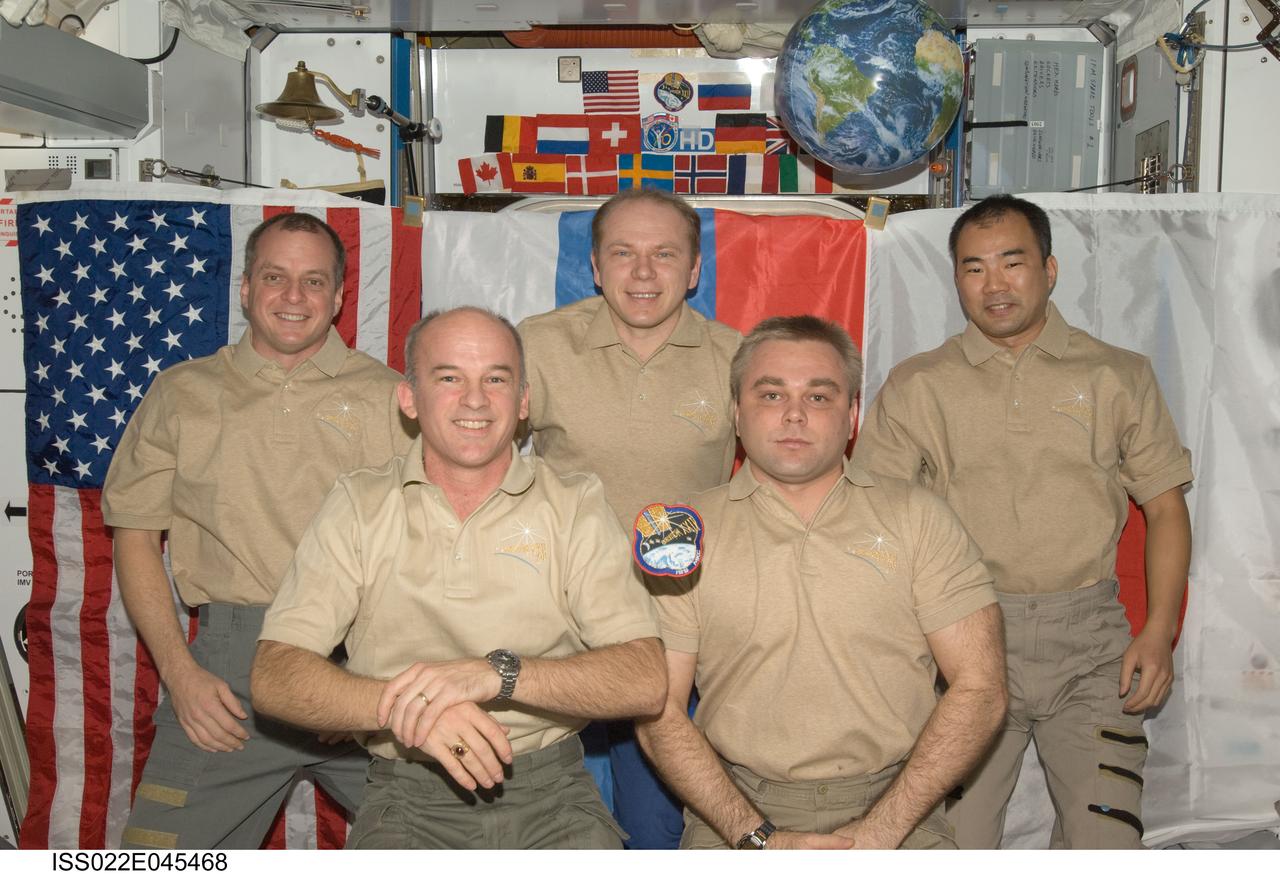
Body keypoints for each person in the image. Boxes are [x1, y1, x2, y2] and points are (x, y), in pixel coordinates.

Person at [250, 307, 668, 849]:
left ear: (523, 401)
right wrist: (413, 711)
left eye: (496, 379)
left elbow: (644, 679)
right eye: (449, 378)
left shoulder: (575, 504)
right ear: (409, 398)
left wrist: (498, 674)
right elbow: (275, 676)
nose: (475, 400)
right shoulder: (359, 504)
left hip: (553, 797)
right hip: (407, 798)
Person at [852, 195, 1194, 848]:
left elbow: (1166, 508)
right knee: (949, 845)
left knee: (1106, 845)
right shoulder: (918, 385)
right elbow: (874, 523)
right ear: (956, 280)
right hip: (964, 641)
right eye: (974, 268)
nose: (995, 285)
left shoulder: (1117, 375)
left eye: (1012, 263)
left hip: (1092, 647)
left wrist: (1158, 631)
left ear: (1049, 269)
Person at [103, 212, 415, 849]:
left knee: (464, 845)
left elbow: (428, 546)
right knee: (153, 858)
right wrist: (180, 674)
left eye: (313, 281)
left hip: (360, 666)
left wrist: (366, 679)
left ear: (338, 297)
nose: (294, 296)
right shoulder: (182, 393)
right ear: (245, 288)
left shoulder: (391, 398)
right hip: (226, 680)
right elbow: (134, 536)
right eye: (275, 277)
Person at [637, 315, 1007, 849]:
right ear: (736, 413)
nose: (794, 414)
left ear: (852, 416)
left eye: (818, 396)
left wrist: (880, 831)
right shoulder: (679, 534)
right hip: (733, 809)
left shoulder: (918, 518)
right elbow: (657, 711)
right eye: (771, 394)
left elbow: (981, 686)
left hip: (899, 803)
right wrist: (758, 837)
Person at [517, 188, 740, 848]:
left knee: (655, 827)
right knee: (541, 824)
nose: (643, 272)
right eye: (623, 253)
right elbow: (475, 459)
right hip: (556, 623)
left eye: (664, 254)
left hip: (676, 632)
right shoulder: (538, 345)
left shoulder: (737, 358)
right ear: (594, 265)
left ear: (694, 270)